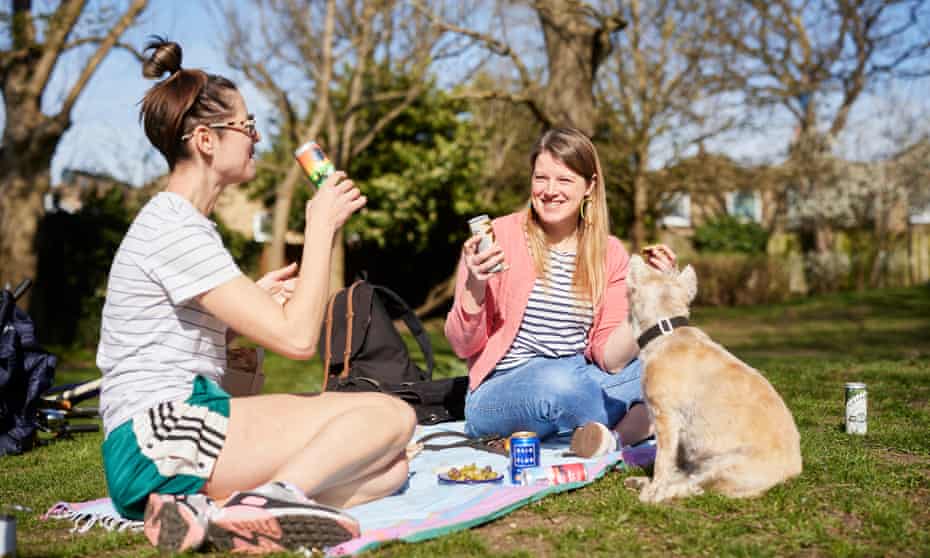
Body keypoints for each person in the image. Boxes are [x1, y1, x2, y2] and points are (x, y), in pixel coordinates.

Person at [97, 38, 416, 555]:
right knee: (389, 417)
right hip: (157, 437)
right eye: (246, 126)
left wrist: (235, 323)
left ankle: (210, 516)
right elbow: (296, 339)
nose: (257, 137)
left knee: (387, 469)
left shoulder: (182, 225)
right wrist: (320, 227)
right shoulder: (174, 228)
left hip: (160, 444)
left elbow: (177, 338)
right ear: (205, 139)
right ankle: (265, 503)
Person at [444, 127, 676, 458]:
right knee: (561, 380)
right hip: (504, 392)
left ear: (589, 187)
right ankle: (640, 424)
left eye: (564, 180)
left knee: (662, 362)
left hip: (582, 376)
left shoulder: (609, 252)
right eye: (541, 178)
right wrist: (474, 286)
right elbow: (460, 345)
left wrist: (651, 299)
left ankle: (607, 439)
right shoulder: (497, 237)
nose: (550, 191)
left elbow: (610, 359)